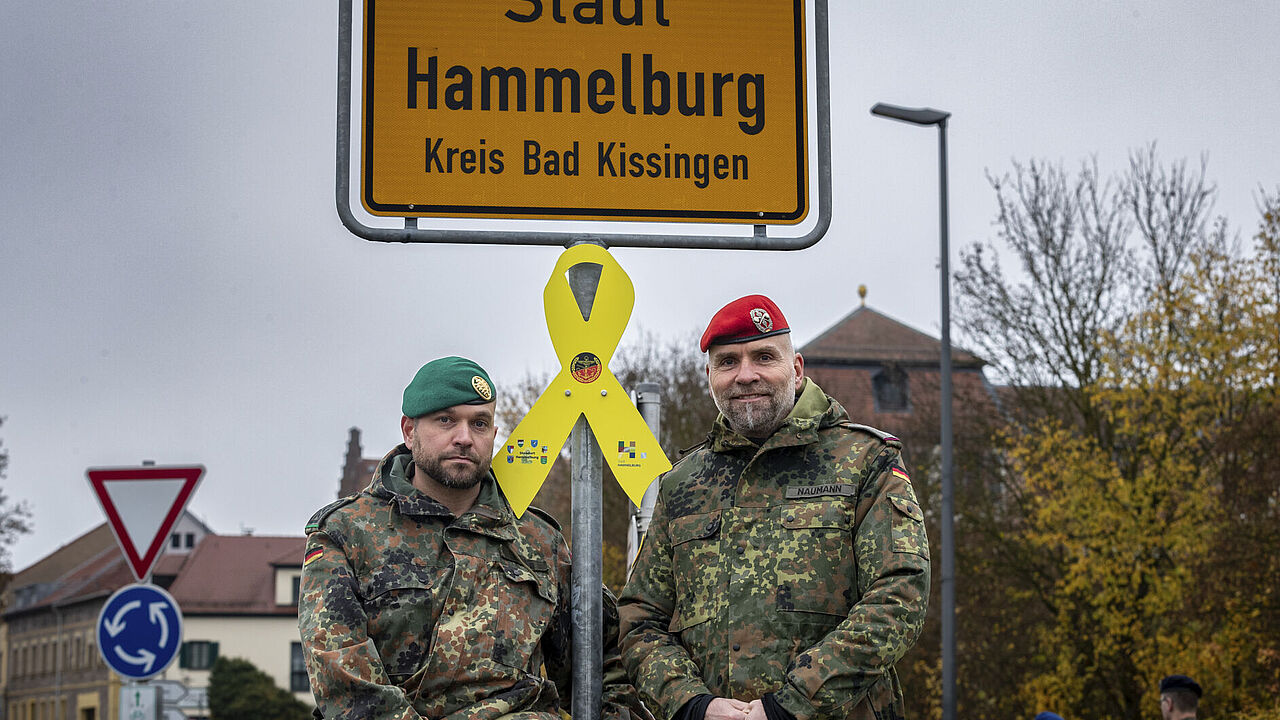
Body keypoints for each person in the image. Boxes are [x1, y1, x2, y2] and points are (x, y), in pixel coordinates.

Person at [618, 295, 931, 720]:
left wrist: (791, 706)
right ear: (709, 376)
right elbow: (640, 620)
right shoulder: (683, 484)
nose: (746, 375)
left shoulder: (864, 461)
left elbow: (900, 595)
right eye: (727, 362)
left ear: (797, 370)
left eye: (764, 357)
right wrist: (692, 704)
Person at [298, 356, 649, 720]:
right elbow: (343, 676)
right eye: (446, 420)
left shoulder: (537, 541)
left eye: (479, 424)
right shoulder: (347, 532)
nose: (464, 438)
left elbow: (604, 663)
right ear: (409, 430)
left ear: (494, 436)